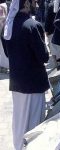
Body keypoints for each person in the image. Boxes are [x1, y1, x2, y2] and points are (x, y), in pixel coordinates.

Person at [1, 0, 50, 149]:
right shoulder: (33, 26)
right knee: (34, 122)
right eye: (33, 1)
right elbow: (44, 57)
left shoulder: (7, 27)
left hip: (17, 82)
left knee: (20, 120)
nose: (36, 4)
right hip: (33, 83)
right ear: (26, 3)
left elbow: (8, 54)